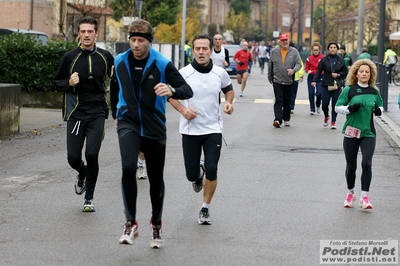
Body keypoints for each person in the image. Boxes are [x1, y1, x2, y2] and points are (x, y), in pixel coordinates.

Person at [110, 19, 193, 248]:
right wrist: (115, 112)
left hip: (154, 125)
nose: (135, 45)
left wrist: (172, 89)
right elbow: (114, 86)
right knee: (128, 167)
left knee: (156, 179)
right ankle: (130, 223)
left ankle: (156, 224)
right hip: (128, 123)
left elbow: (187, 89)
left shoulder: (162, 64)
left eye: (140, 41)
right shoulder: (119, 61)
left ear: (149, 41)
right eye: (132, 40)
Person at [169, 34, 234, 225]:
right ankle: (197, 174)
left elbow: (228, 90)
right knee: (191, 175)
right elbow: (171, 95)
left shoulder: (219, 73)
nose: (201, 52)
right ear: (193, 50)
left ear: (211, 50)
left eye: (205, 48)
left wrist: (229, 103)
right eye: (197, 48)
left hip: (213, 128)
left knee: (212, 169)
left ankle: (205, 208)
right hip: (190, 130)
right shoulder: (183, 73)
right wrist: (183, 110)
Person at [52, 16, 114, 212]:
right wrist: (67, 83)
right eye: (83, 31)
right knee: (73, 158)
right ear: (79, 33)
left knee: (92, 153)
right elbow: (54, 83)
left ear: (96, 34)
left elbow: (119, 82)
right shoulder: (70, 57)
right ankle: (82, 173)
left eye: (90, 31)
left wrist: (115, 78)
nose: (86, 35)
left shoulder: (106, 57)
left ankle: (89, 196)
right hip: (77, 113)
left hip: (97, 112)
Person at [335, 59, 383, 209]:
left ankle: (364, 196)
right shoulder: (349, 90)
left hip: (368, 133)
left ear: (371, 75)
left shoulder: (374, 91)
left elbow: (380, 107)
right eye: (361, 71)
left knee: (367, 163)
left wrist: (378, 111)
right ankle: (350, 193)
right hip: (351, 132)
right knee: (351, 166)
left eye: (367, 72)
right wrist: (349, 109)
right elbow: (337, 107)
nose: (364, 74)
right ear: (356, 74)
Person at [267, 34, 302, 128]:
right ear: (280, 42)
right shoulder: (274, 52)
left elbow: (299, 64)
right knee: (279, 100)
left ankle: (286, 118)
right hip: (277, 80)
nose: (285, 42)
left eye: (286, 40)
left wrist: (293, 70)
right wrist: (270, 76)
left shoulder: (294, 52)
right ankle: (277, 119)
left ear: (289, 40)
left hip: (289, 81)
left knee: (287, 101)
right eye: (283, 40)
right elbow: (270, 64)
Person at [312, 42, 347, 129]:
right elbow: (318, 71)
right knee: (324, 104)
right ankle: (326, 116)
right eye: (331, 47)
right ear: (328, 49)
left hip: (336, 85)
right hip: (326, 84)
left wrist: (338, 75)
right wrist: (314, 81)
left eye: (334, 47)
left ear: (337, 49)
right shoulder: (324, 60)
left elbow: (345, 72)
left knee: (335, 104)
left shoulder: (341, 60)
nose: (332, 49)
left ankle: (333, 122)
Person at [305, 42, 324, 115]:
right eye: (314, 50)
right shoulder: (309, 58)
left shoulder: (322, 58)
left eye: (317, 50)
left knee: (319, 93)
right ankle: (312, 108)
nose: (315, 51)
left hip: (320, 77)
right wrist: (307, 71)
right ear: (312, 50)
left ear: (319, 50)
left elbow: (325, 67)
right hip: (311, 76)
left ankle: (318, 105)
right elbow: (306, 67)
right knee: (311, 93)